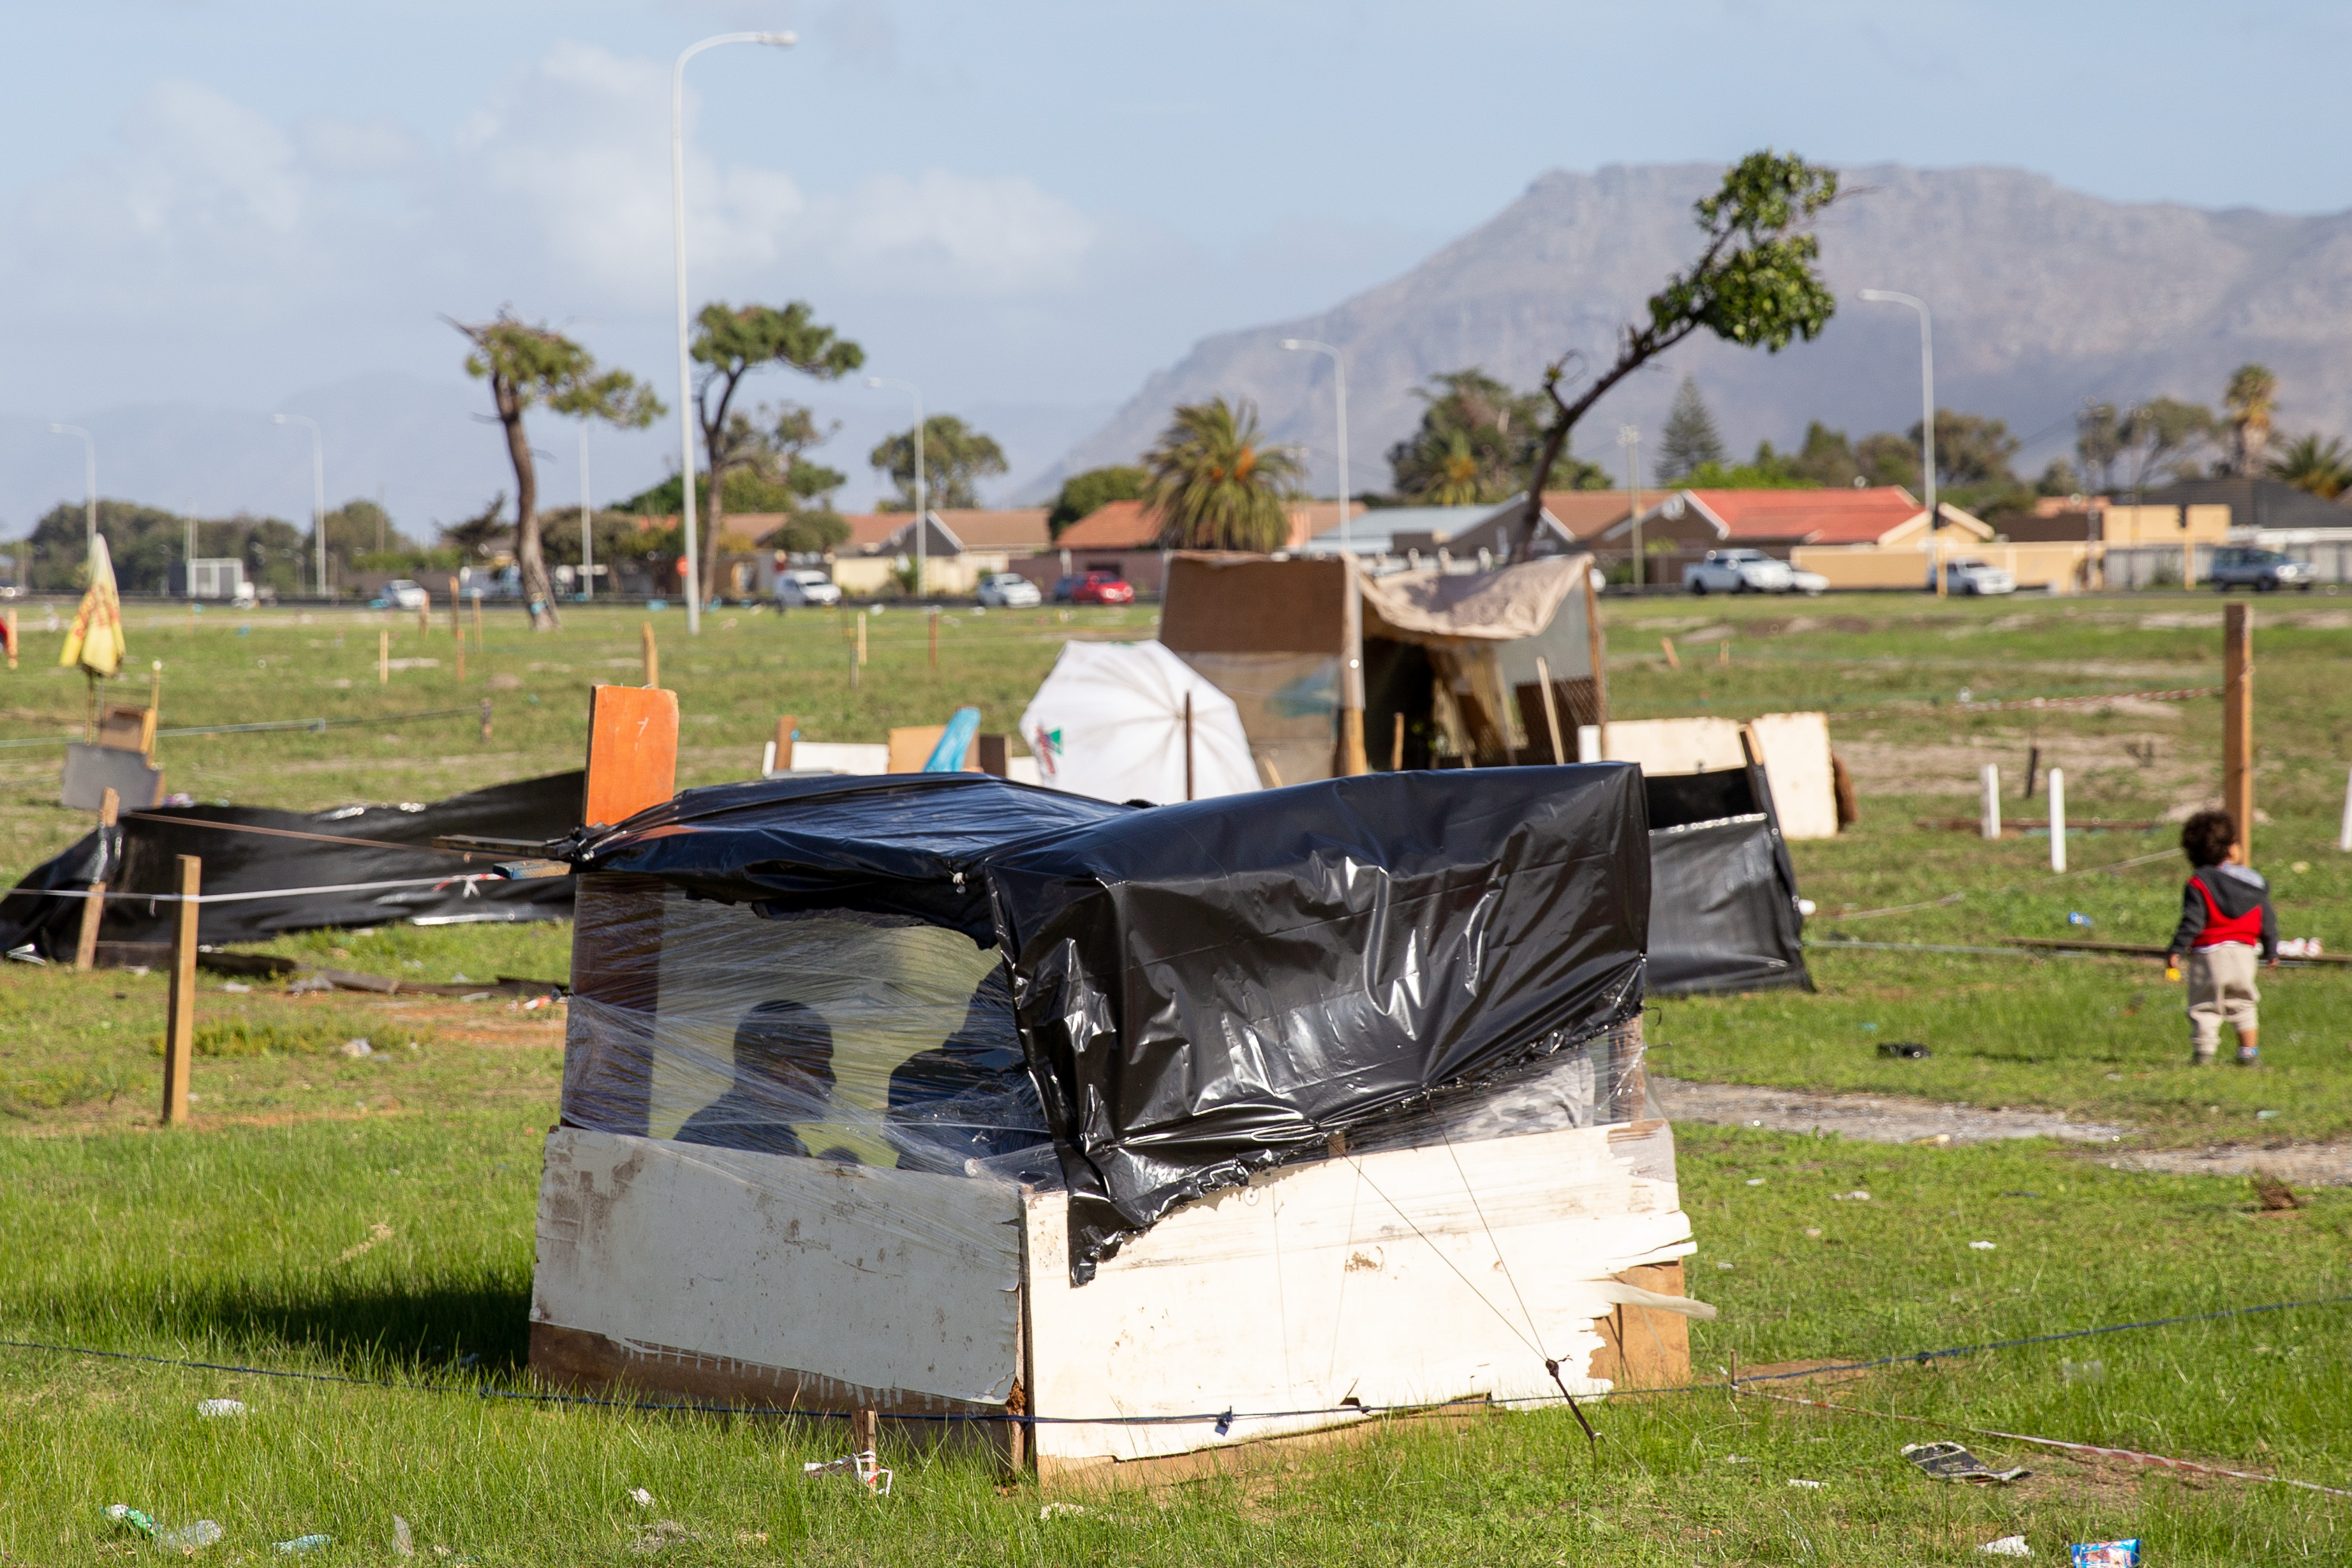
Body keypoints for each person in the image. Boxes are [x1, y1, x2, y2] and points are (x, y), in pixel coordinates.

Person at [2164, 810, 2278, 1067]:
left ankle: (2204, 1054)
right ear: (2230, 849)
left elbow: (2193, 921)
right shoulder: (2253, 884)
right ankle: (2249, 1055)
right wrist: (2271, 950)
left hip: (2209, 954)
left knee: (2205, 1005)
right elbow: (2267, 920)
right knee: (2244, 1004)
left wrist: (2177, 948)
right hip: (2244, 954)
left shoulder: (2198, 883)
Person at [675, 999, 839, 1155]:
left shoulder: (728, 1126)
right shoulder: (738, 1136)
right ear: (785, 1069)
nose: (832, 1078)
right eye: (821, 1064)